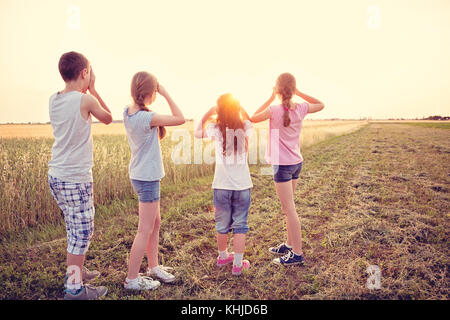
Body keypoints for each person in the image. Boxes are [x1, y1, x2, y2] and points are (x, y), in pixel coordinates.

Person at [47, 51, 113, 300]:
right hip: (75, 179)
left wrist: (86, 87)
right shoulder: (85, 101)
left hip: (56, 175)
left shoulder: (54, 99)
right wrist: (93, 88)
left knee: (73, 227)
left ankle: (76, 271)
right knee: (82, 231)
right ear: (85, 73)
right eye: (89, 73)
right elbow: (108, 118)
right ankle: (74, 289)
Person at [250, 73, 324, 266]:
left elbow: (252, 117)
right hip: (296, 163)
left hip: (283, 166)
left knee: (288, 209)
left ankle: (297, 253)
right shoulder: (301, 107)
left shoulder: (274, 109)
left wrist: (269, 97)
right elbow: (320, 104)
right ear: (293, 89)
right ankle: (290, 246)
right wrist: (298, 92)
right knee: (288, 207)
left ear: (278, 89)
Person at [123, 71, 185, 290]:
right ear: (151, 92)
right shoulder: (146, 118)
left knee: (154, 224)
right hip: (147, 178)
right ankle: (132, 279)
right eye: (156, 91)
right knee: (145, 229)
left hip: (141, 175)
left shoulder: (128, 112)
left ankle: (153, 267)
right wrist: (166, 92)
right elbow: (180, 118)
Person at [195, 93, 253, 276]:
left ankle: (222, 257)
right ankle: (237, 265)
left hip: (221, 185)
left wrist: (207, 114)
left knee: (222, 224)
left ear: (218, 110)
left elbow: (197, 133)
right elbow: (250, 119)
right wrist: (240, 108)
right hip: (242, 185)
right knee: (240, 225)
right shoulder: (245, 126)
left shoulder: (215, 127)